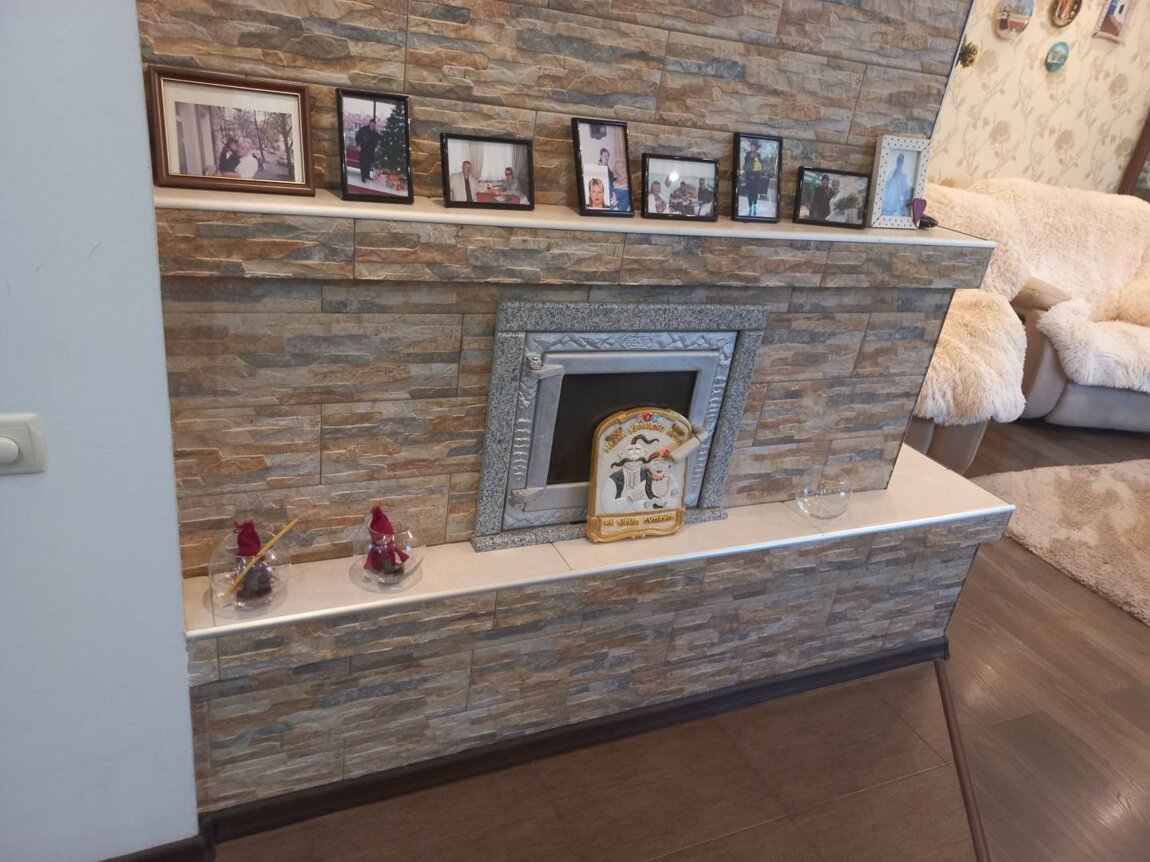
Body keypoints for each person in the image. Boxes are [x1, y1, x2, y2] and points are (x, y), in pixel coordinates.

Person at [599, 435, 656, 513]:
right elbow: (607, 507)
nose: (634, 454)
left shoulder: (649, 475)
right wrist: (629, 499)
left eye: (637, 449)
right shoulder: (614, 479)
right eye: (630, 450)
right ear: (621, 454)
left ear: (644, 453)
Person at [881, 152, 912, 217]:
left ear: (902, 163)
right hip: (888, 201)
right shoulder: (891, 173)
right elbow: (886, 185)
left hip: (898, 203)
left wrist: (902, 200)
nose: (899, 162)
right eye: (898, 160)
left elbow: (906, 191)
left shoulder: (904, 176)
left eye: (900, 161)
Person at [354, 118, 380, 184]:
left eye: (374, 124)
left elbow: (376, 140)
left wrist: (376, 147)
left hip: (371, 150)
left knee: (369, 163)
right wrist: (358, 145)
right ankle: (363, 177)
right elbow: (357, 137)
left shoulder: (375, 132)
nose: (373, 125)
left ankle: (367, 176)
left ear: (375, 125)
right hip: (363, 148)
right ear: (369, 123)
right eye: (372, 123)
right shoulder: (363, 129)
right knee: (363, 163)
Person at [742, 143, 764, 216]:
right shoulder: (748, 154)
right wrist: (750, 158)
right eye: (752, 146)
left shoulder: (758, 155)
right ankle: (750, 209)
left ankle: (754, 208)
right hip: (749, 177)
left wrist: (756, 158)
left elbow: (760, 166)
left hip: (756, 178)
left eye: (754, 147)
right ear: (751, 147)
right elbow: (745, 164)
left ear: (756, 147)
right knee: (749, 194)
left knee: (755, 194)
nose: (753, 148)